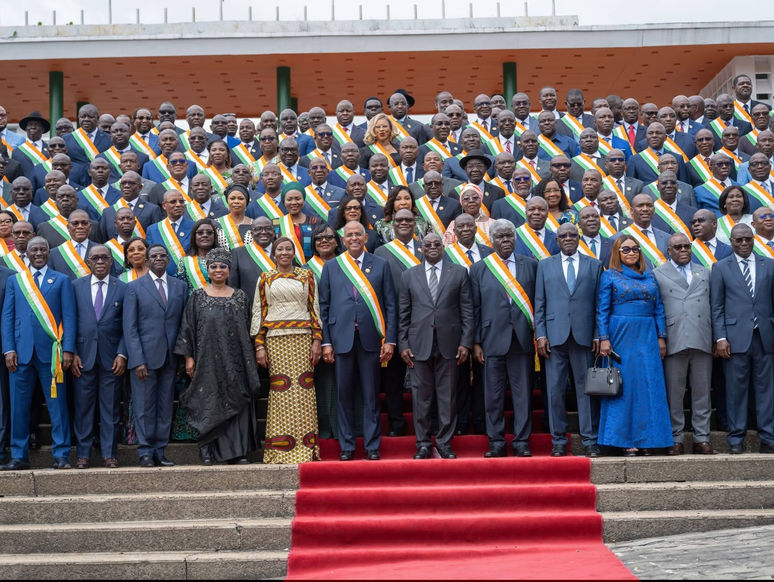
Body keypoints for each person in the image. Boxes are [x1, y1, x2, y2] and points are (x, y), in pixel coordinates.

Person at [319, 221, 397, 461]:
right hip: (341, 340)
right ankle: (347, 446)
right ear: (343, 240)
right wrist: (326, 342)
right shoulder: (332, 267)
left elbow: (390, 305)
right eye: (349, 235)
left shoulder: (381, 264)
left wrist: (390, 340)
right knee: (343, 395)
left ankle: (372, 446)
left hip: (371, 340)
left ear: (365, 238)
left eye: (358, 234)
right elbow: (324, 307)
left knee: (371, 396)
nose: (353, 238)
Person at [176, 248, 261, 465]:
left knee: (237, 400)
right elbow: (187, 328)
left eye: (223, 266)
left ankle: (238, 451)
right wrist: (188, 358)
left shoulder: (240, 297)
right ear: (208, 270)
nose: (218, 270)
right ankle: (207, 449)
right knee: (209, 402)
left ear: (229, 270)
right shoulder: (197, 297)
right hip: (207, 362)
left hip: (236, 362)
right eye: (213, 266)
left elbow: (249, 328)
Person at [1, 237, 76, 470]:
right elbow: (8, 317)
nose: (39, 253)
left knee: (57, 406)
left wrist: (68, 349)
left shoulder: (62, 280)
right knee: (18, 408)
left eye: (43, 249)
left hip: (52, 354)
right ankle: (18, 455)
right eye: (34, 250)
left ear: (49, 252)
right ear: (27, 253)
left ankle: (61, 454)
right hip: (20, 354)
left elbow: (69, 317)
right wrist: (9, 349)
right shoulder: (16, 281)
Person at [399, 233, 473, 459]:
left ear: (443, 247)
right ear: (421, 249)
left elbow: (467, 311)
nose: (432, 247)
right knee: (421, 397)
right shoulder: (408, 275)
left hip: (450, 344)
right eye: (428, 244)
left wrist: (466, 342)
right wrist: (403, 343)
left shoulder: (459, 272)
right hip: (418, 344)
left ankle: (444, 442)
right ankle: (422, 443)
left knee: (447, 396)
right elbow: (403, 313)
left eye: (437, 244)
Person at [597, 235, 673, 456]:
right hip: (621, 334)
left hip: (648, 335)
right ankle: (624, 440)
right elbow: (602, 309)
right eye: (626, 249)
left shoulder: (650, 275)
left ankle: (650, 439)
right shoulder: (609, 275)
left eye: (635, 249)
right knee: (625, 386)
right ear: (617, 253)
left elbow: (659, 308)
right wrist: (604, 338)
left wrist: (661, 337)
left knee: (648, 384)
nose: (631, 253)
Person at [470, 219, 538, 458]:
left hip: (522, 339)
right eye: (500, 236)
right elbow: (474, 308)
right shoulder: (479, 268)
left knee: (523, 396)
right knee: (493, 396)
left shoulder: (531, 265)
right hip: (491, 340)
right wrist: (476, 342)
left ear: (515, 238)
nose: (505, 240)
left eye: (509, 235)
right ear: (491, 240)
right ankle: (496, 442)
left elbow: (538, 303)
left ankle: (522, 442)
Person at [535, 222, 603, 458]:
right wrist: (540, 334)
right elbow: (539, 303)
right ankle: (558, 441)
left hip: (584, 337)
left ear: (579, 237)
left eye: (572, 235)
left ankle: (590, 440)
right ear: (557, 240)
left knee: (586, 391)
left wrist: (598, 334)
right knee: (554, 391)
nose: (567, 238)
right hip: (554, 338)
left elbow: (599, 305)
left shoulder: (594, 265)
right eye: (563, 236)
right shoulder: (544, 265)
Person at [251, 237, 322, 463]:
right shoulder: (265, 278)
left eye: (288, 248)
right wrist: (259, 345)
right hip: (275, 340)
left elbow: (315, 308)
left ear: (294, 252)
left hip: (303, 338)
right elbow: (259, 311)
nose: (284, 252)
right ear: (273, 253)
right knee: (281, 390)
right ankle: (281, 449)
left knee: (304, 390)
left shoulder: (307, 276)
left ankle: (306, 448)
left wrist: (317, 340)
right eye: (279, 249)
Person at [710, 224, 774, 454]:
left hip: (765, 337)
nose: (744, 243)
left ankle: (768, 437)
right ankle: (736, 438)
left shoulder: (770, 265)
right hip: (734, 339)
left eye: (748, 239)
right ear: (731, 241)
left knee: (767, 391)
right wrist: (720, 337)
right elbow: (716, 306)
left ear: (753, 239)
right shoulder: (720, 267)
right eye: (739, 240)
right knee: (735, 391)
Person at [122, 244, 187, 467]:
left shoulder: (179, 287)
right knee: (144, 407)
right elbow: (130, 328)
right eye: (154, 256)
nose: (158, 258)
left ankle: (160, 450)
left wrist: (181, 356)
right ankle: (145, 452)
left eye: (162, 255)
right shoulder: (134, 287)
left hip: (170, 358)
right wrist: (137, 359)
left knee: (165, 406)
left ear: (168, 260)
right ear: (147, 261)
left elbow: (183, 324)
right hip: (144, 359)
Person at [653, 234, 716, 456]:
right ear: (668, 251)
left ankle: (702, 438)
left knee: (702, 392)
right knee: (674, 393)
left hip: (701, 337)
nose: (683, 250)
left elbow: (714, 306)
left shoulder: (704, 272)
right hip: (674, 338)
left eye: (686, 246)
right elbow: (656, 308)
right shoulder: (657, 273)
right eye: (677, 247)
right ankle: (675, 437)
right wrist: (660, 337)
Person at [70, 245, 127, 469]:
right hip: (82, 358)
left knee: (110, 409)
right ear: (88, 262)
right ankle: (83, 455)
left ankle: (109, 454)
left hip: (112, 359)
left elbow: (127, 325)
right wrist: (72, 352)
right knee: (83, 408)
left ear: (111, 261)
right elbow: (69, 320)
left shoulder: (123, 288)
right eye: (95, 258)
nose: (100, 261)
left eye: (105, 257)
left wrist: (122, 353)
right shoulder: (75, 286)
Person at [306, 223, 341, 439]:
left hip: (345, 331)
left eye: (328, 237)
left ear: (337, 241)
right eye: (319, 238)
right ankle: (326, 428)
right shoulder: (305, 270)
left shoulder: (348, 265)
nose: (324, 241)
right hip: (316, 334)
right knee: (324, 383)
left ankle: (346, 428)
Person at [279, 182, 322, 263]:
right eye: (289, 199)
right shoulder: (277, 224)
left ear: (304, 200)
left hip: (311, 267)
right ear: (284, 202)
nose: (294, 202)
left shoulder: (316, 222)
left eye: (298, 199)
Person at [175, 218, 216, 294]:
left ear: (214, 236)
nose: (205, 235)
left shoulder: (225, 259)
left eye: (209, 232)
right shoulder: (184, 262)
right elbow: (180, 291)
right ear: (194, 237)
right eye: (200, 233)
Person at [216, 184, 254, 249]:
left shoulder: (254, 225)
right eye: (232, 198)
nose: (236, 201)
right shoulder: (216, 224)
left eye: (241, 198)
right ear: (227, 201)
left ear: (246, 202)